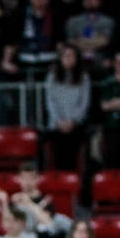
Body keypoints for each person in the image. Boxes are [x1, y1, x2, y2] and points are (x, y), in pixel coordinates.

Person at [43, 42, 89, 171]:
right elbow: (50, 102)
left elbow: (84, 103)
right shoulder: (52, 76)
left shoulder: (83, 78)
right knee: (57, 155)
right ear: (61, 58)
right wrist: (59, 121)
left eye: (72, 56)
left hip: (75, 125)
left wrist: (72, 121)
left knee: (73, 155)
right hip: (56, 125)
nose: (69, 59)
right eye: (66, 56)